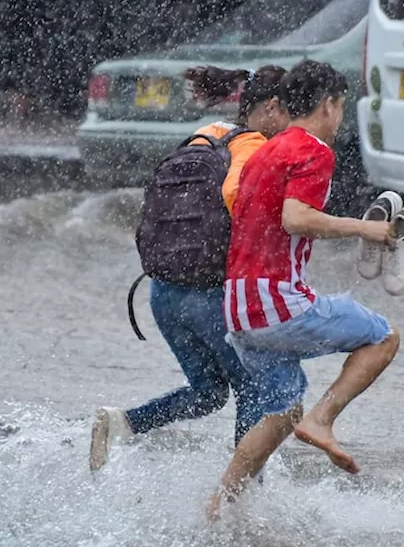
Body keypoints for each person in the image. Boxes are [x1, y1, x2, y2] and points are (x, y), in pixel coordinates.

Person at [206, 59, 404, 520]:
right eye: (341, 106)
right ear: (328, 105)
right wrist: (368, 230)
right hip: (276, 303)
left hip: (238, 309)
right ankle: (324, 419)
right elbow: (296, 218)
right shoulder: (313, 150)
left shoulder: (265, 150)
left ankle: (218, 507)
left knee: (282, 413)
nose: (340, 117)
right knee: (383, 337)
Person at [89, 65, 291, 471]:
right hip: (210, 295)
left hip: (164, 291)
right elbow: (236, 196)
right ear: (271, 108)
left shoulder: (205, 134)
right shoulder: (252, 145)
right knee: (254, 388)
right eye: (290, 112)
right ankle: (242, 497)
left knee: (209, 392)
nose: (291, 125)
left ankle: (122, 422)